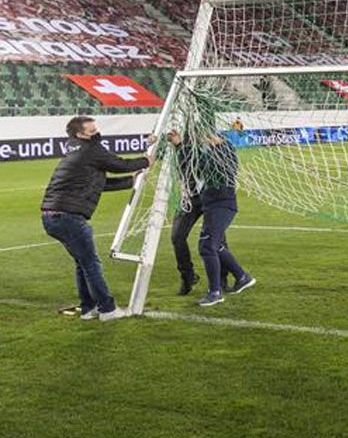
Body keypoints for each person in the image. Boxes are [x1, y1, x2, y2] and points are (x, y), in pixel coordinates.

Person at [40, 116, 155, 321]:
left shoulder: (75, 149)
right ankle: (107, 309)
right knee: (91, 263)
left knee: (82, 262)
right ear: (80, 134)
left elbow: (98, 184)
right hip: (68, 216)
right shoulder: (90, 150)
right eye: (91, 130)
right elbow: (120, 164)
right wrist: (146, 161)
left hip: (53, 216)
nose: (96, 132)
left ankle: (88, 309)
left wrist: (132, 180)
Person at [169, 127, 256, 307]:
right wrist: (179, 145)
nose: (206, 140)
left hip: (221, 205)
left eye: (210, 137)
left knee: (208, 247)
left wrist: (219, 143)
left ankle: (215, 291)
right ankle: (242, 277)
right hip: (210, 203)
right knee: (215, 246)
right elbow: (192, 162)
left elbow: (222, 158)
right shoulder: (206, 157)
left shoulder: (225, 154)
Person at [167, 128, 234, 296]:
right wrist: (177, 144)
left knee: (217, 241)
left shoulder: (221, 152)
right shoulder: (185, 149)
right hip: (190, 198)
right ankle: (188, 276)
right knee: (177, 236)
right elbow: (188, 162)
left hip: (210, 197)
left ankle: (222, 279)